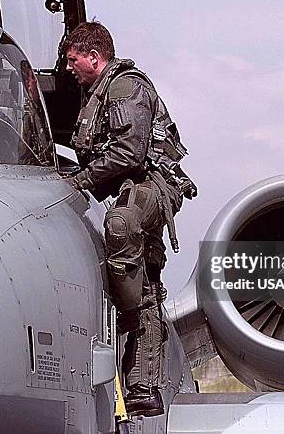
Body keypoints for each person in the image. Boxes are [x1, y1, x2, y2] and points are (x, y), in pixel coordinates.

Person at [62, 21, 195, 417]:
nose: (68, 68)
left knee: (122, 226)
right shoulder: (93, 92)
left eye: (72, 61)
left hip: (154, 183)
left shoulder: (126, 87)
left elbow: (129, 154)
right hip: (127, 184)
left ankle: (135, 317)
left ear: (93, 57)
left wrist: (81, 180)